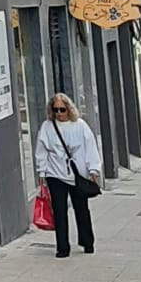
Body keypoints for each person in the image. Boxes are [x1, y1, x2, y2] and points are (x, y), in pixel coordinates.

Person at [35, 92, 101, 257]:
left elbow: (90, 146)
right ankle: (62, 247)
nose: (59, 113)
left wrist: (93, 169)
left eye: (62, 110)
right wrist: (42, 171)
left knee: (81, 208)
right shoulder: (47, 127)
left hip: (78, 173)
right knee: (59, 210)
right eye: (55, 110)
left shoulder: (80, 125)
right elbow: (41, 150)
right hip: (55, 173)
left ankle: (87, 242)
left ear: (69, 109)